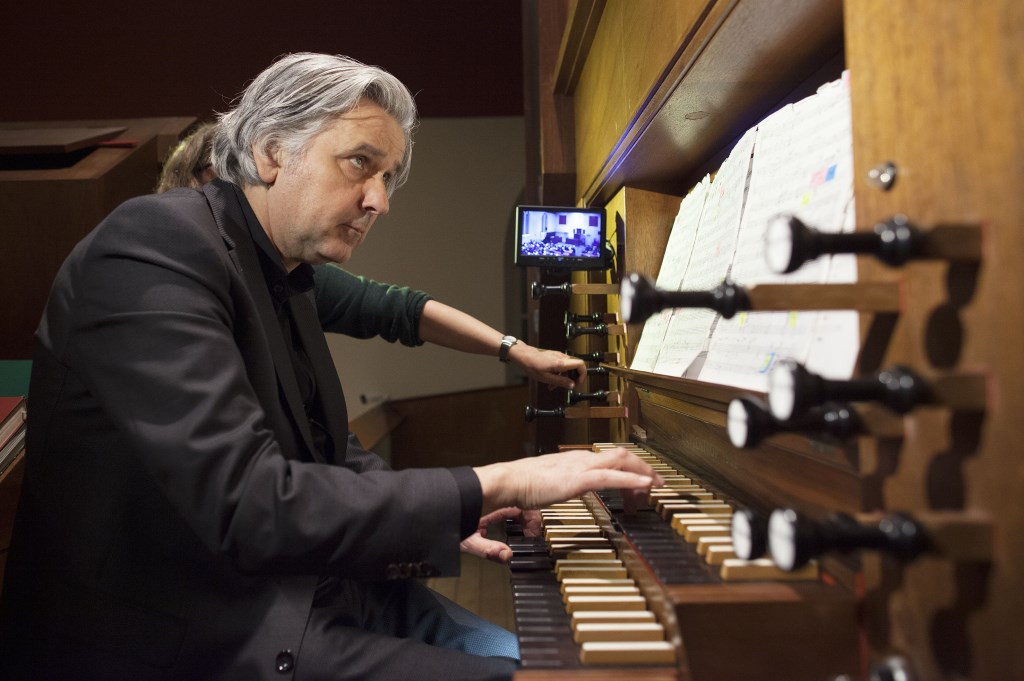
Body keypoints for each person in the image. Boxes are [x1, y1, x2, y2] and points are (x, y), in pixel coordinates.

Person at [0, 53, 661, 681]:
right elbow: (249, 503)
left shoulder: (289, 272)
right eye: (359, 164)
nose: (380, 199)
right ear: (269, 152)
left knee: (586, 665)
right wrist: (496, 481)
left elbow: (331, 454)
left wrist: (449, 514)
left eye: (388, 177)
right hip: (204, 633)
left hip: (327, 590)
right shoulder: (152, 244)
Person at [155, 121, 588, 565]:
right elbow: (250, 492)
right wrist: (470, 493)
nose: (376, 202)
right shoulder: (172, 279)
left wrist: (514, 350)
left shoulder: (293, 275)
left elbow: (397, 309)